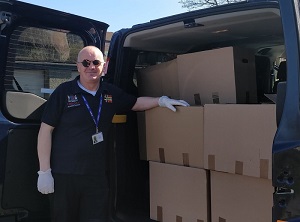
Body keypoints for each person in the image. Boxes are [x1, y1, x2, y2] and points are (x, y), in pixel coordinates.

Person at [37, 45, 189, 222]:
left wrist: (160, 101)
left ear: (104, 66)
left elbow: (136, 103)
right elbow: (45, 131)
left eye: (96, 62)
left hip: (97, 176)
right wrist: (44, 172)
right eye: (85, 63)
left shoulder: (109, 92)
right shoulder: (64, 92)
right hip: (64, 175)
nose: (91, 67)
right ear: (78, 66)